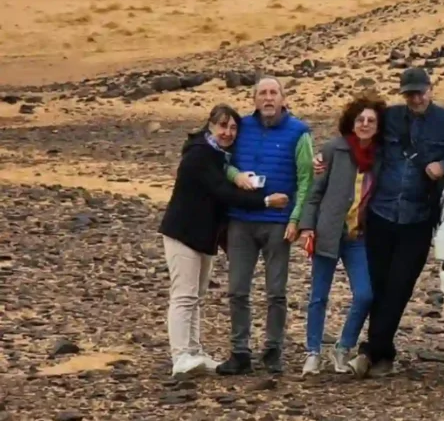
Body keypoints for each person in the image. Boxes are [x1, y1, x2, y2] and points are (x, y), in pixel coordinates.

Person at [316, 67, 444, 377]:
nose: (415, 98)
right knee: (378, 287)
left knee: (399, 287)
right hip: (381, 217)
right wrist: (327, 156)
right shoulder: (391, 118)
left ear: (430, 90)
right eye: (410, 93)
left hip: (418, 219)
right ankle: (381, 354)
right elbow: (359, 133)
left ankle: (372, 351)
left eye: (420, 91)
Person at [157, 103, 289, 379]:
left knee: (196, 296)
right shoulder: (200, 155)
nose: (227, 132)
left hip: (203, 235)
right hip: (183, 232)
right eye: (222, 126)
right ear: (210, 126)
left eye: (232, 128)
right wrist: (264, 200)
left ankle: (194, 351)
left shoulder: (219, 156)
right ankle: (180, 355)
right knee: (183, 295)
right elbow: (223, 192)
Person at [215, 77, 315, 376]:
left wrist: (296, 219)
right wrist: (235, 176)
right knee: (237, 290)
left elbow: (306, 180)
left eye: (274, 93)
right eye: (262, 94)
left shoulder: (300, 133)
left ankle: (273, 350)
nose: (268, 98)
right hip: (241, 221)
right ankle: (240, 351)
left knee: (276, 292)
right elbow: (222, 160)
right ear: (254, 99)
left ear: (283, 99)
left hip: (278, 225)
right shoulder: (240, 127)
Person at [297, 93, 386, 375]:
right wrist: (307, 226)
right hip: (328, 232)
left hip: (358, 237)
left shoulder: (381, 156)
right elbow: (315, 193)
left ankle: (342, 348)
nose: (365, 124)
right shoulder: (335, 150)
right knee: (318, 296)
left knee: (364, 295)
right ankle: (312, 352)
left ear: (378, 125)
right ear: (352, 121)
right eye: (361, 119)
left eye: (371, 120)